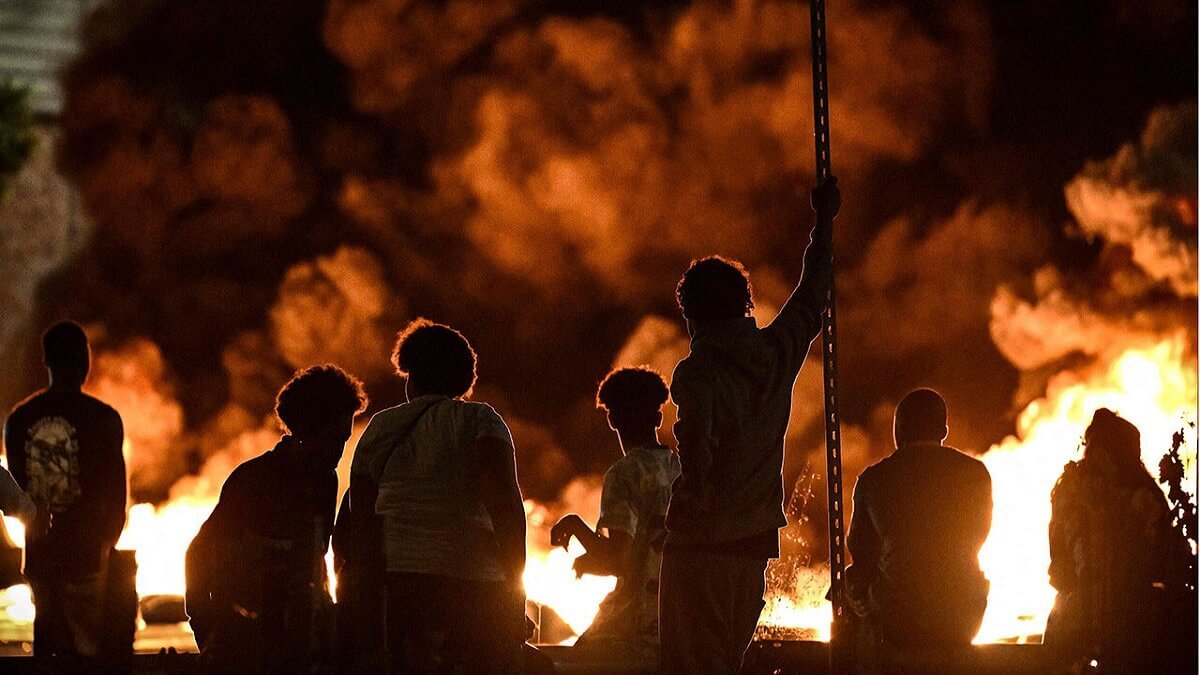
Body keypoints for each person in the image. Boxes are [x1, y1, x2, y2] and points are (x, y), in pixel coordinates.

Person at [659, 179, 839, 673]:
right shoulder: (775, 355)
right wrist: (823, 223)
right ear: (744, 305)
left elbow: (697, 451)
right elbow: (812, 296)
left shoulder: (697, 372)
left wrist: (686, 510)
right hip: (752, 545)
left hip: (700, 547)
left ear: (693, 315)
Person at [349, 319, 526, 673]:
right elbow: (506, 508)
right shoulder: (481, 421)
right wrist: (515, 593)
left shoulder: (380, 427)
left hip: (400, 589)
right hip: (475, 585)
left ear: (411, 376)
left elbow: (360, 519)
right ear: (463, 379)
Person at [185, 364, 368, 672]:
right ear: (304, 429)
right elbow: (199, 555)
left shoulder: (325, 481)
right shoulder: (251, 481)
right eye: (332, 438)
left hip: (302, 646)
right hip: (253, 647)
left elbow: (316, 556)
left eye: (344, 439)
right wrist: (210, 630)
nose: (339, 450)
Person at [3, 320, 126, 657]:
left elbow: (16, 491)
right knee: (88, 653)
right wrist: (107, 543)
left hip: (40, 558)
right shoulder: (103, 418)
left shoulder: (19, 420)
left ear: (46, 361)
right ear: (84, 360)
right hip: (88, 557)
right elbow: (116, 496)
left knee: (48, 646)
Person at [844, 389, 992, 656]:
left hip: (897, 617)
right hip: (962, 617)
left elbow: (861, 550)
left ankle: (859, 666)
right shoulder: (976, 473)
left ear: (898, 430)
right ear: (943, 431)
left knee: (845, 584)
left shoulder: (873, 479)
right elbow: (979, 534)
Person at [1044, 408, 1194, 673]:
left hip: (1078, 622)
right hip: (1133, 625)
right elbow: (1170, 560)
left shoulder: (1068, 490)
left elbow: (1059, 566)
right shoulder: (1144, 495)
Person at [551, 366, 680, 662]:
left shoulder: (625, 473)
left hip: (630, 625)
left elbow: (618, 560)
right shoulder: (677, 469)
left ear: (612, 419)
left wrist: (575, 526)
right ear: (658, 418)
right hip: (672, 623)